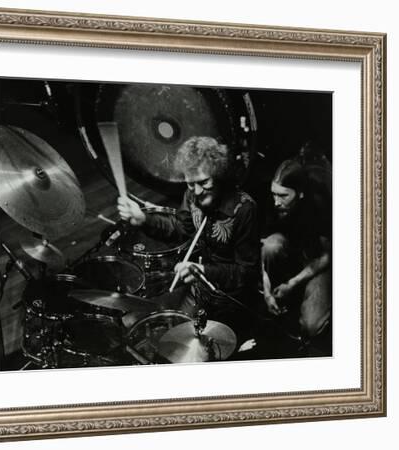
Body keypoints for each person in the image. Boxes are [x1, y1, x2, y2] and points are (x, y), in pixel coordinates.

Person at [117, 136, 260, 329]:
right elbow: (181, 229)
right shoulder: (191, 195)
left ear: (219, 174)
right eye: (190, 184)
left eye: (204, 182)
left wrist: (203, 271)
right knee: (144, 325)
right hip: (199, 290)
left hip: (229, 301)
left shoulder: (244, 209)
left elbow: (246, 272)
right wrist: (143, 219)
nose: (197, 191)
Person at [261, 144, 332, 351]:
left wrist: (292, 284)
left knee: (312, 325)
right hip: (290, 251)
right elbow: (264, 250)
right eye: (274, 194)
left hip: (316, 260)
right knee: (271, 246)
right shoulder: (271, 203)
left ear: (300, 194)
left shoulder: (318, 206)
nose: (276, 202)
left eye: (284, 196)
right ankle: (278, 304)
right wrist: (266, 293)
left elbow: (327, 257)